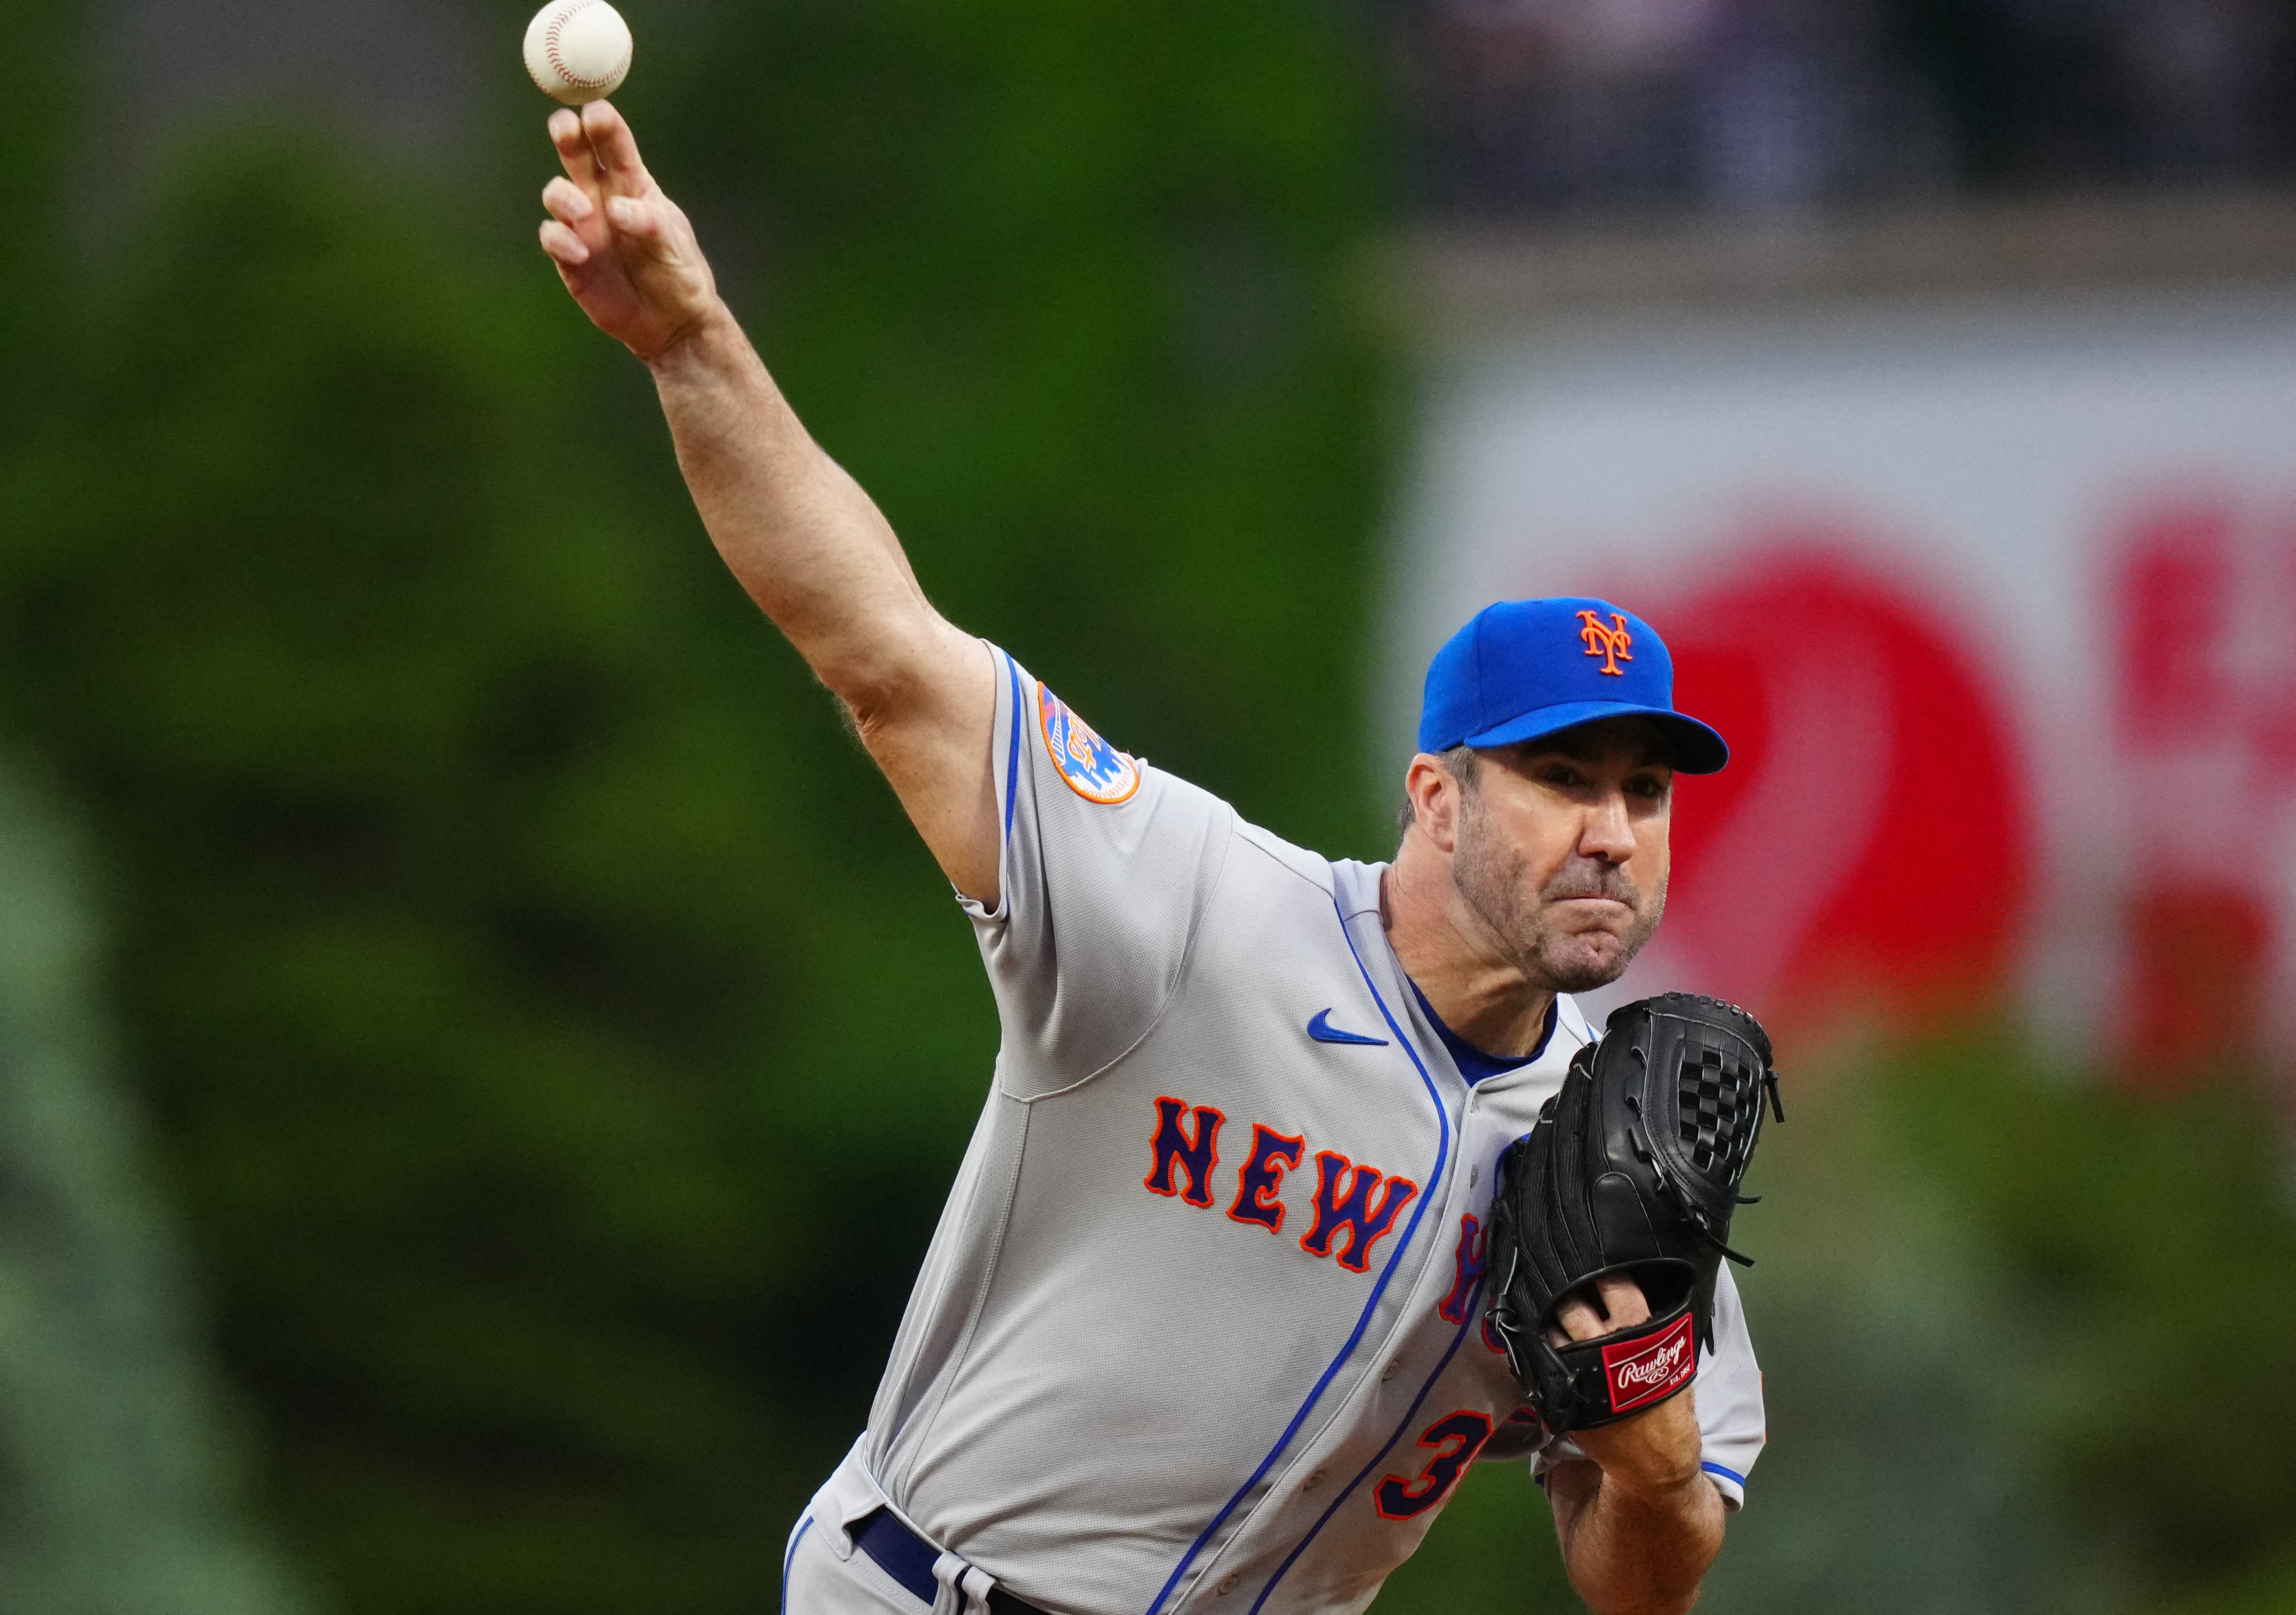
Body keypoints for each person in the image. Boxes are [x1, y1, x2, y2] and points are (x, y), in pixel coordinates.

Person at [534, 100, 1763, 1615]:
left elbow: (1641, 1581)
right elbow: (887, 658)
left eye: (1645, 791)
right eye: (1561, 776)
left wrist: (1645, 1455)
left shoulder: (1627, 1151)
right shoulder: (1191, 903)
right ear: (1435, 795)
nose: (1610, 829)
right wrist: (693, 347)